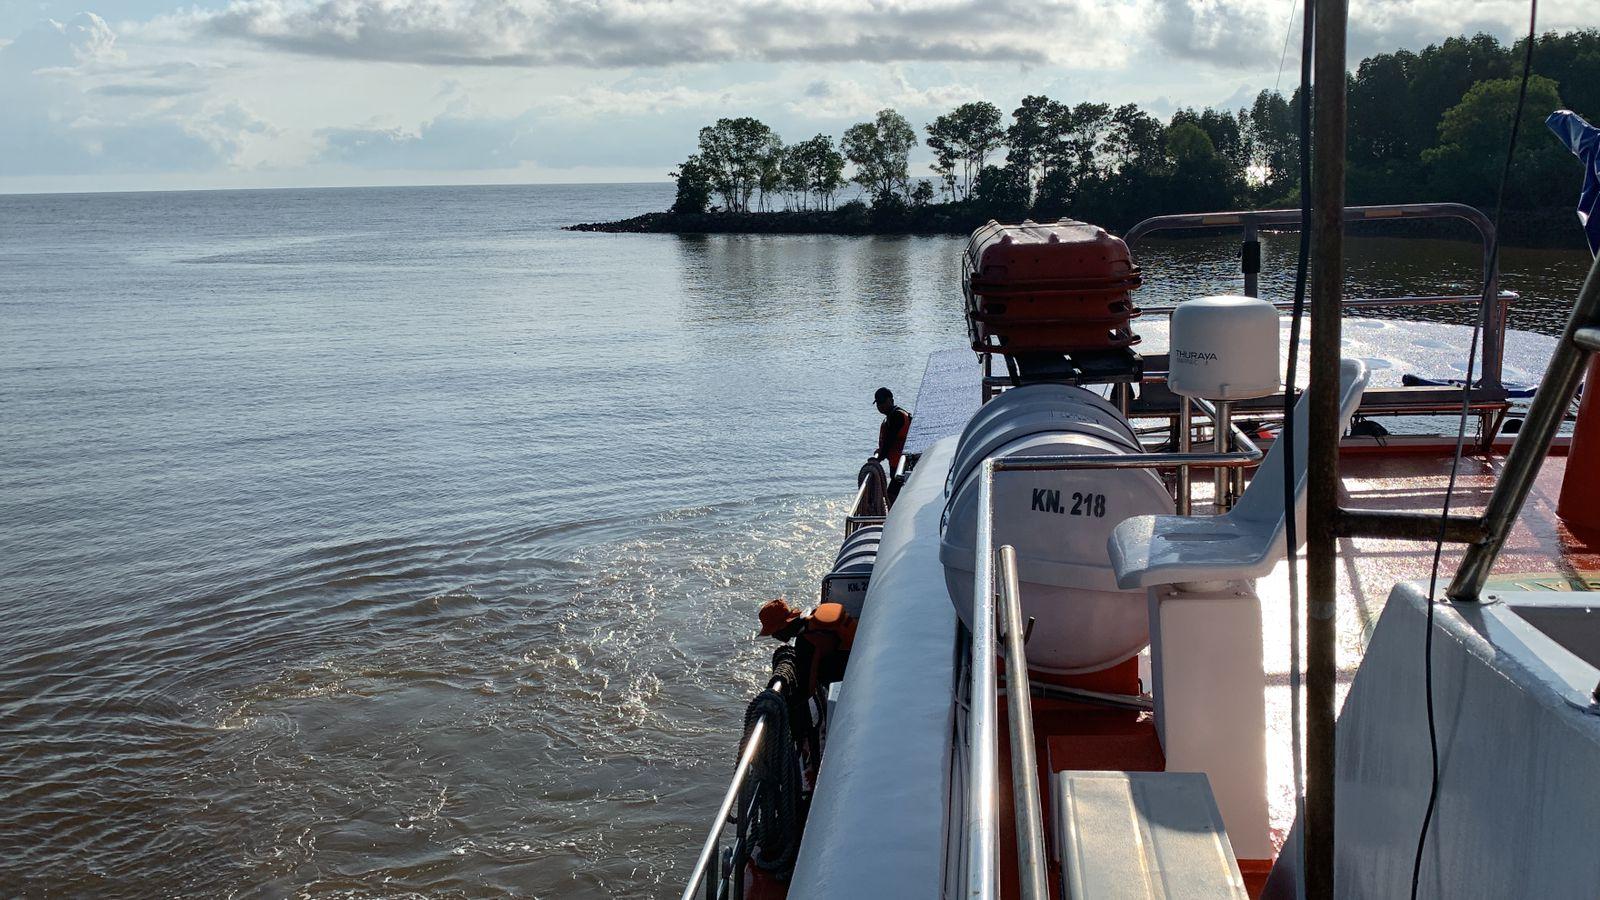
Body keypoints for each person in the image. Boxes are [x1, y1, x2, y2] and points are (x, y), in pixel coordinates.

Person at [872, 387, 913, 475]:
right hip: (896, 463)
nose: (880, 406)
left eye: (883, 402)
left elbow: (890, 440)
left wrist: (878, 459)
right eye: (878, 403)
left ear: (891, 400)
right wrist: (881, 451)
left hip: (902, 465)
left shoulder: (897, 416)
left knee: (893, 488)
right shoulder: (891, 417)